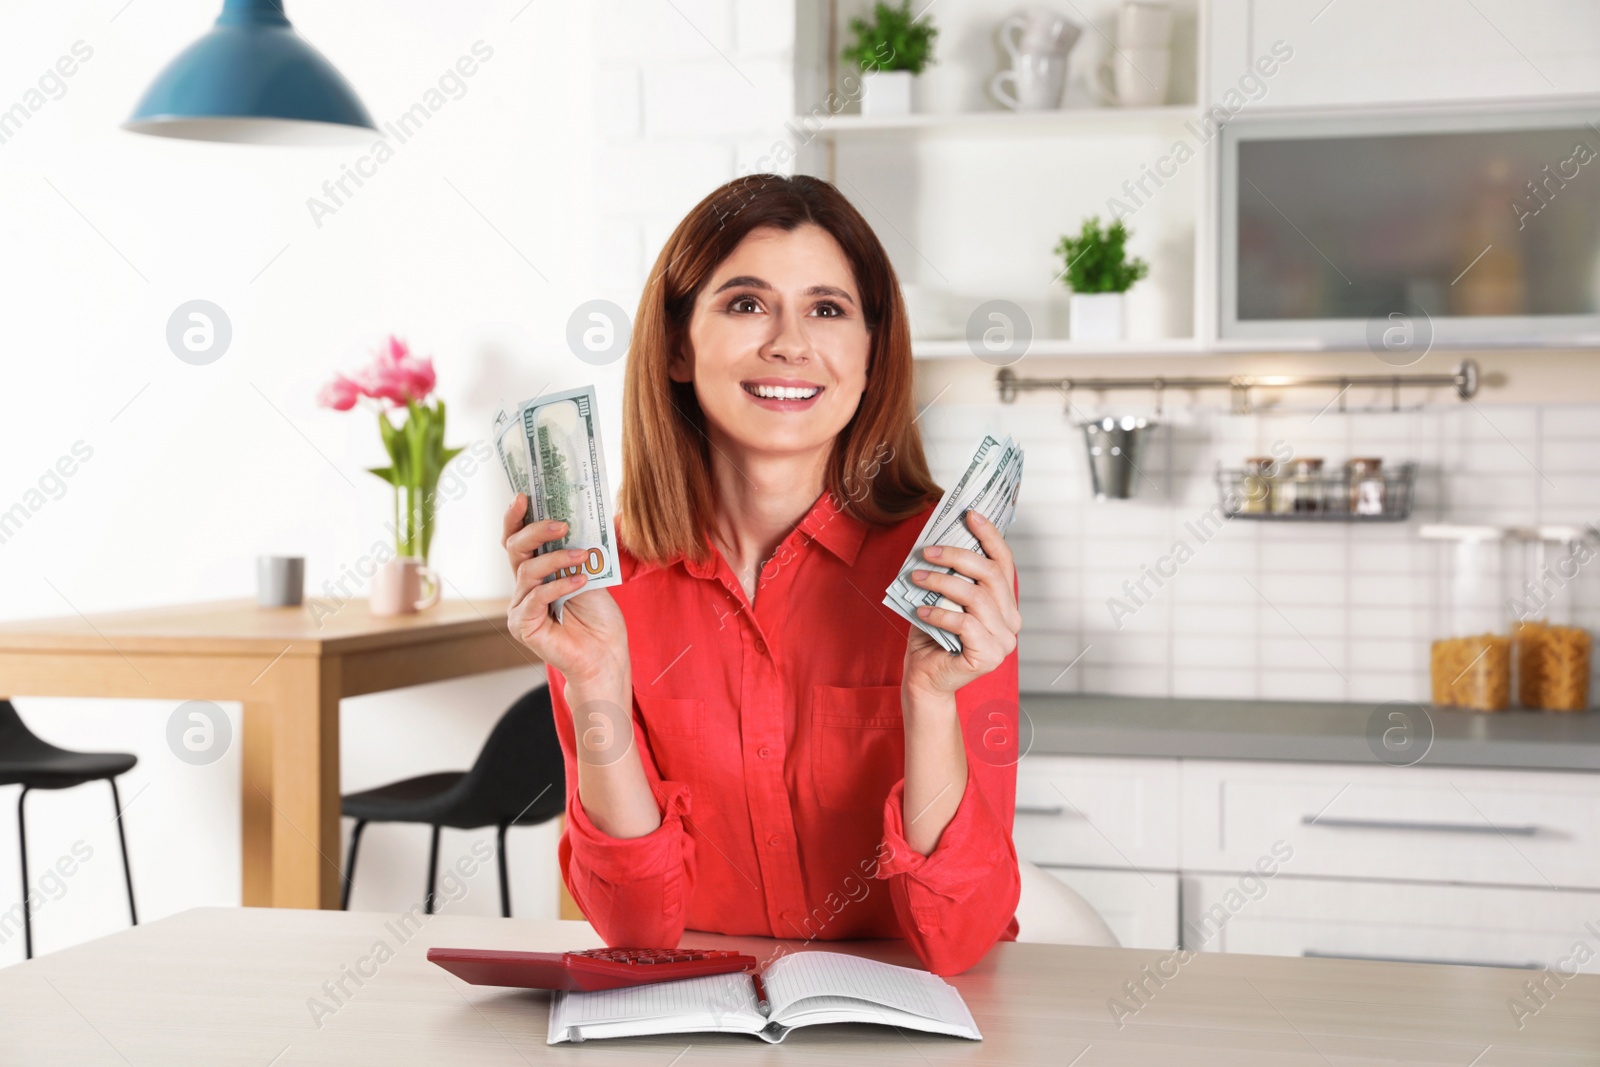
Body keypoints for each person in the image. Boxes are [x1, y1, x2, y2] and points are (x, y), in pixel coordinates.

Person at [501, 174, 1021, 976]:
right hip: (695, 1026)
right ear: (678, 345)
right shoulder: (600, 580)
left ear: (871, 350)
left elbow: (960, 934)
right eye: (747, 304)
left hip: (902, 1021)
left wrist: (928, 699)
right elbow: (637, 929)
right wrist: (596, 684)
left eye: (827, 308)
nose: (789, 342)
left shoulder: (949, 569)